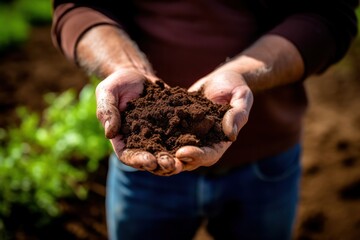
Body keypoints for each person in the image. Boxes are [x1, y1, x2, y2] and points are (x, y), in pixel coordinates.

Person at [51, 1, 358, 239]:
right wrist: (123, 65)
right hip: (143, 169)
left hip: (266, 162)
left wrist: (239, 73)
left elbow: (327, 14)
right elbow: (79, 4)